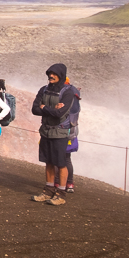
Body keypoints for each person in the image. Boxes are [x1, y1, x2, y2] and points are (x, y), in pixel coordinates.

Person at [31, 64, 78, 205]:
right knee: (49, 162)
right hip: (45, 131)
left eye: (54, 74)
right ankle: (48, 191)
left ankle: (61, 194)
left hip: (60, 132)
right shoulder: (43, 89)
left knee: (60, 163)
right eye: (49, 73)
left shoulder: (68, 92)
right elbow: (34, 109)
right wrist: (51, 109)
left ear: (61, 75)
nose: (51, 76)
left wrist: (44, 107)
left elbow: (60, 114)